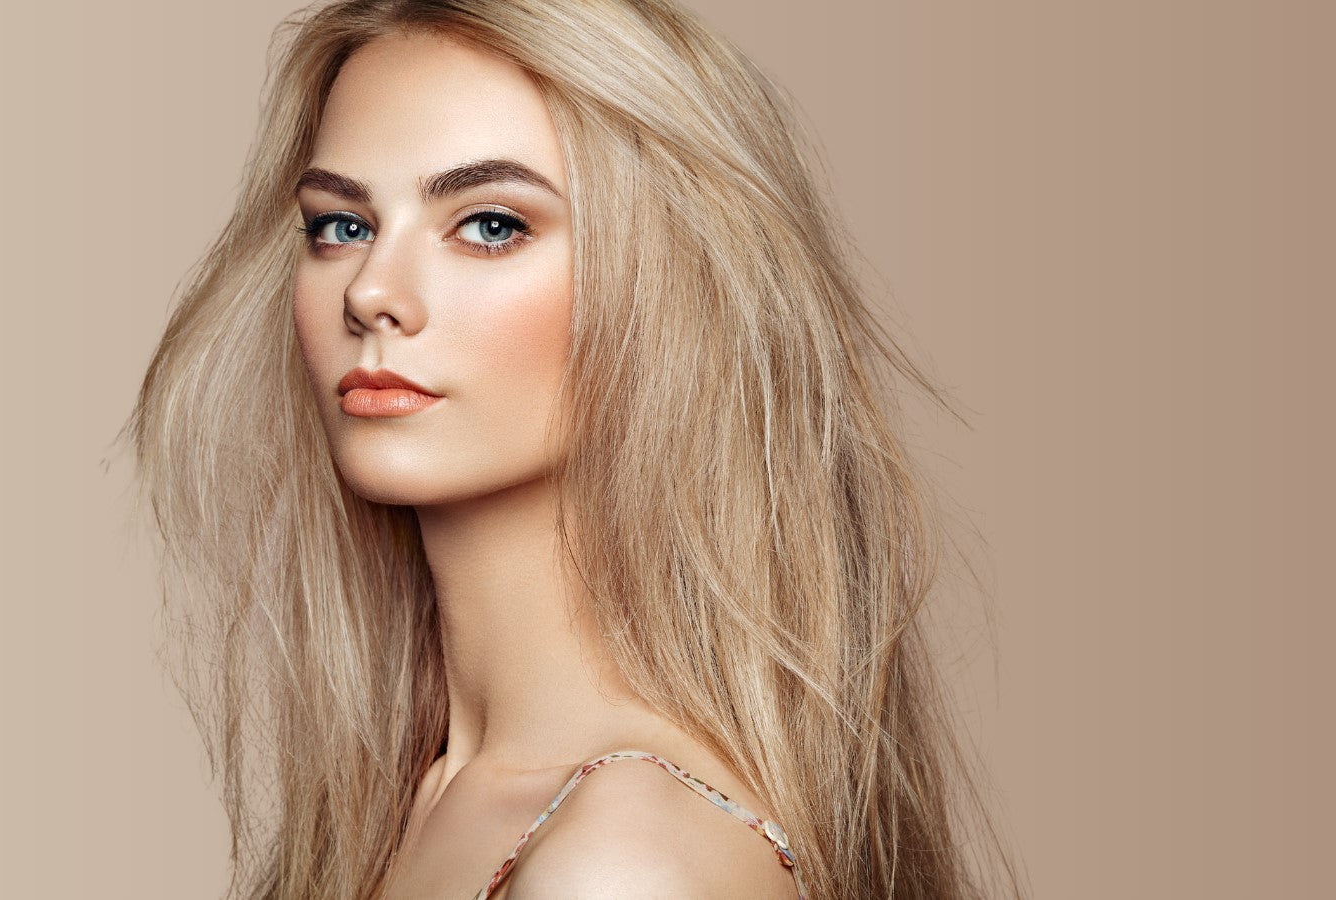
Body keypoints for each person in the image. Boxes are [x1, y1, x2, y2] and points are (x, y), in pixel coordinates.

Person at [122, 1, 1019, 897]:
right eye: (342, 225)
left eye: (490, 225)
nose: (371, 293)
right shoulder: (414, 798)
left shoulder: (625, 863)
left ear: (668, 285)